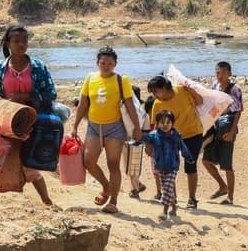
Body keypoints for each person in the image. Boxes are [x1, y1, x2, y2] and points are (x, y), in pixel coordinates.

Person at [0, 25, 54, 205]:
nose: (21, 45)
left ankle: (45, 200)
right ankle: (12, 203)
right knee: (9, 161)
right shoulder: (1, 67)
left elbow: (51, 93)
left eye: (24, 41)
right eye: (16, 41)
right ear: (8, 43)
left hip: (31, 122)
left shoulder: (38, 66)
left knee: (29, 162)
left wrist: (29, 97)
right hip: (8, 123)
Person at [71, 47, 142, 214]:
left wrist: (137, 127)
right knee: (88, 161)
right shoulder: (90, 78)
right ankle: (106, 186)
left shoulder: (121, 80)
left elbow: (130, 105)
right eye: (103, 62)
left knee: (113, 165)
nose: (106, 66)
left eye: (110, 63)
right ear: (97, 63)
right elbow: (83, 104)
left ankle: (113, 202)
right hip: (94, 127)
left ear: (115, 64)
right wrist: (74, 126)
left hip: (115, 128)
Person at [147, 75, 205, 209]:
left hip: (193, 133)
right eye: (153, 93)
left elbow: (200, 101)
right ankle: (173, 198)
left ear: (165, 88)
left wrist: (191, 89)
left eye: (156, 91)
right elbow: (156, 126)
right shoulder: (157, 104)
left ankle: (192, 199)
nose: (155, 95)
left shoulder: (182, 91)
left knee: (190, 166)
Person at [141, 111, 196, 221]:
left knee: (167, 187)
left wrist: (189, 158)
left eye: (168, 122)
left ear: (173, 123)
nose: (165, 125)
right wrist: (134, 140)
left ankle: (164, 212)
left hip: (173, 166)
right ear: (157, 123)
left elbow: (183, 148)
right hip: (160, 166)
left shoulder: (176, 136)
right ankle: (174, 207)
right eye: (162, 122)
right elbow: (143, 139)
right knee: (167, 189)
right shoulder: (154, 135)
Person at [202, 61, 244, 205]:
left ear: (229, 74)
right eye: (217, 72)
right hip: (215, 127)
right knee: (206, 161)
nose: (219, 75)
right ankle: (222, 186)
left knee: (227, 165)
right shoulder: (214, 86)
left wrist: (232, 131)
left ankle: (230, 198)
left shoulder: (234, 89)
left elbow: (238, 112)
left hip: (227, 128)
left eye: (223, 73)